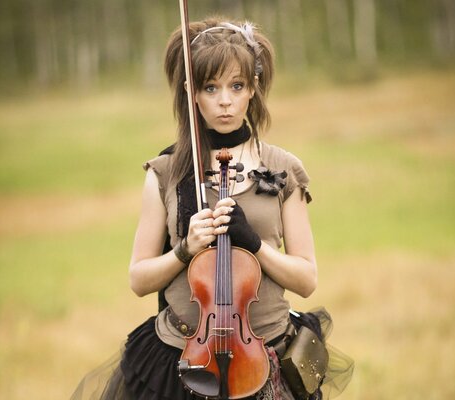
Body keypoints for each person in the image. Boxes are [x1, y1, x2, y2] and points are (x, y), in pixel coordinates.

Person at [71, 16, 352, 400]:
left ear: (252, 89)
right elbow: (139, 279)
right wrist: (184, 250)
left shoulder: (282, 169)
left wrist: (253, 244)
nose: (224, 100)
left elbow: (306, 280)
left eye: (236, 86)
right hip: (183, 358)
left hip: (265, 355)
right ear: (192, 93)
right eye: (210, 87)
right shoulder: (167, 171)